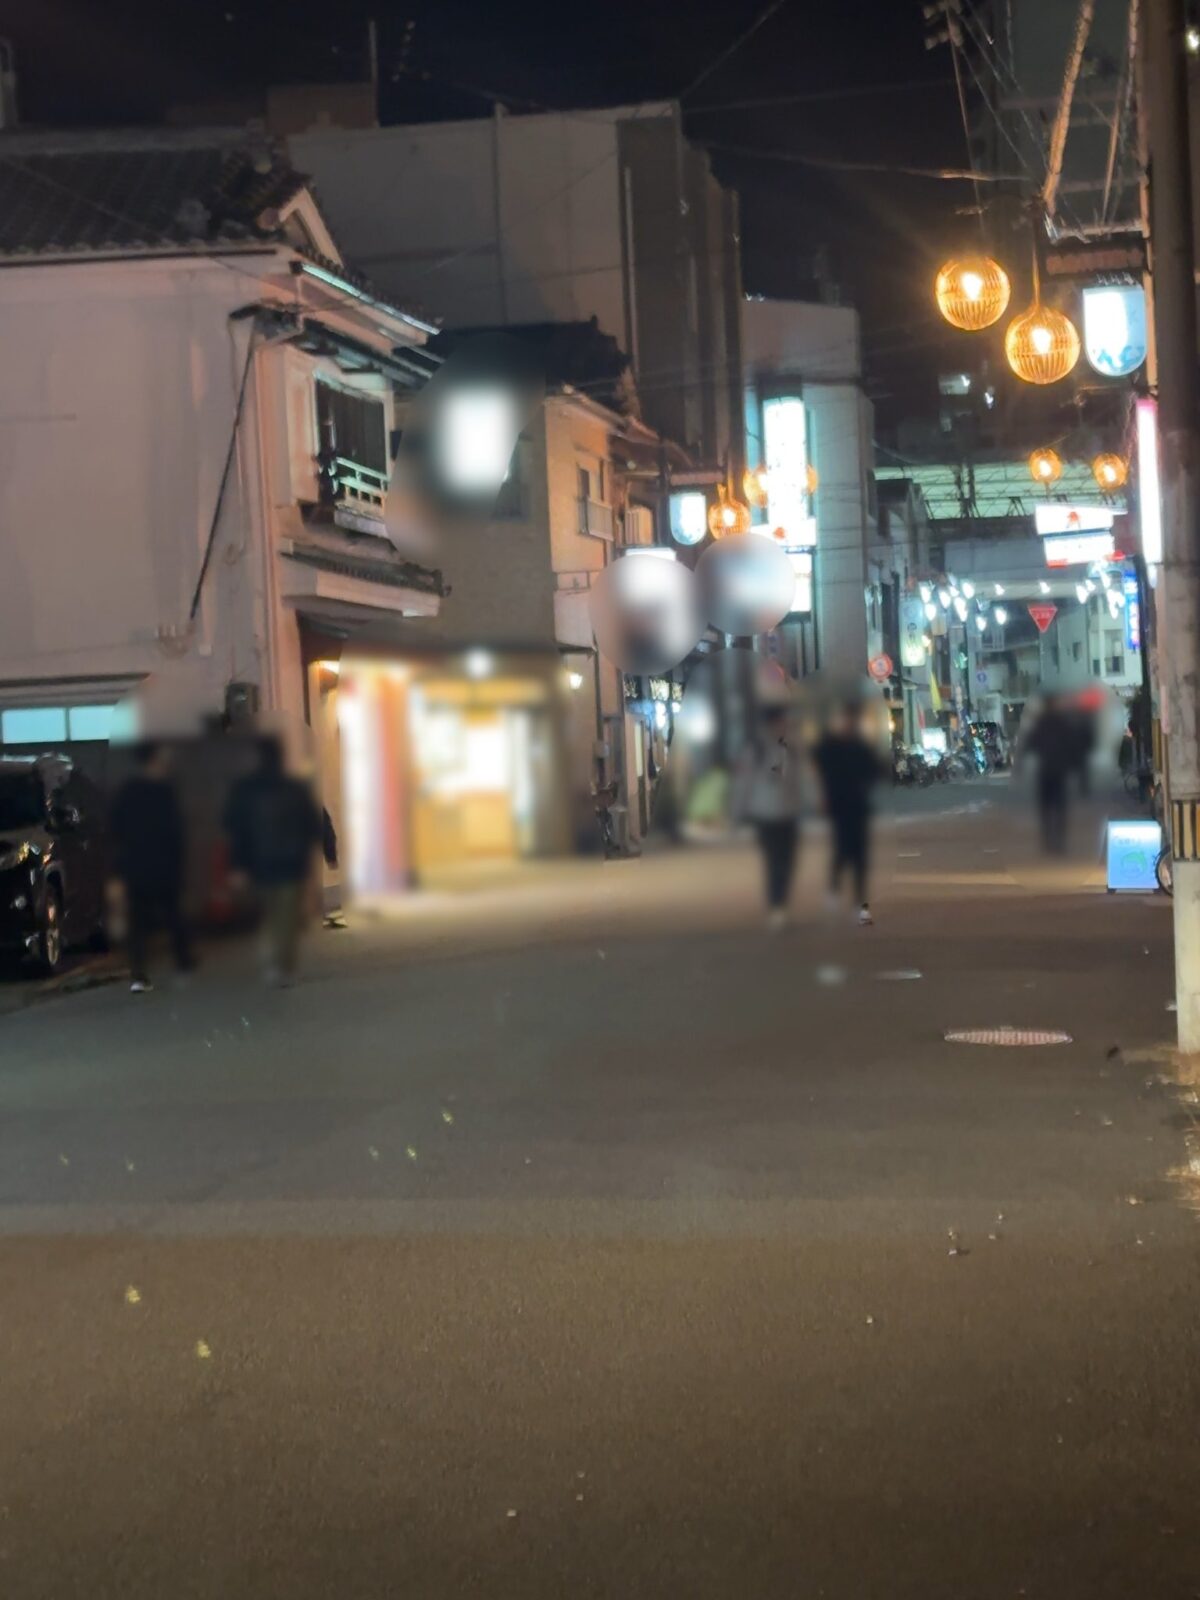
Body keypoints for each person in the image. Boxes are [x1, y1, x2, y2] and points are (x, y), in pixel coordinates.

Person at [224, 737, 323, 986]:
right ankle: (284, 966)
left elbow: (234, 829)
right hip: (291, 863)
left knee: (268, 915)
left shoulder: (245, 789)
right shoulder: (294, 788)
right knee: (287, 917)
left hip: (260, 864)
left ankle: (271, 963)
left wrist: (237, 865)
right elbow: (312, 823)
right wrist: (324, 853)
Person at [109, 741, 193, 993]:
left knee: (138, 923)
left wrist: (119, 870)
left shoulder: (128, 792)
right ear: (156, 759)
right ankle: (183, 963)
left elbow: (117, 829)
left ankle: (139, 976)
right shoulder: (165, 792)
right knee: (174, 914)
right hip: (164, 866)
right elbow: (176, 832)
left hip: (136, 866)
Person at [733, 703, 804, 930]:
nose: (784, 726)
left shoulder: (790, 750)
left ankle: (780, 904)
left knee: (788, 862)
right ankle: (776, 907)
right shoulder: (755, 751)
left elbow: (799, 781)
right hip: (765, 815)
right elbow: (743, 784)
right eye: (781, 722)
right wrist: (737, 813)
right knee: (775, 862)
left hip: (789, 814)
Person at [813, 703, 883, 926]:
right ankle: (833, 894)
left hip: (858, 808)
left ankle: (861, 906)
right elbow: (817, 760)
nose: (849, 725)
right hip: (840, 808)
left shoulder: (860, 748)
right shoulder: (830, 747)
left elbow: (876, 770)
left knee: (861, 858)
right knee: (841, 853)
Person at [1022, 693, 1074, 854]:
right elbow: (1071, 745)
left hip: (1045, 770)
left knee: (1046, 807)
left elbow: (1030, 745)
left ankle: (1047, 840)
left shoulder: (1039, 724)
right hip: (1060, 770)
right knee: (1060, 807)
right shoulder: (1063, 723)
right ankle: (1059, 841)